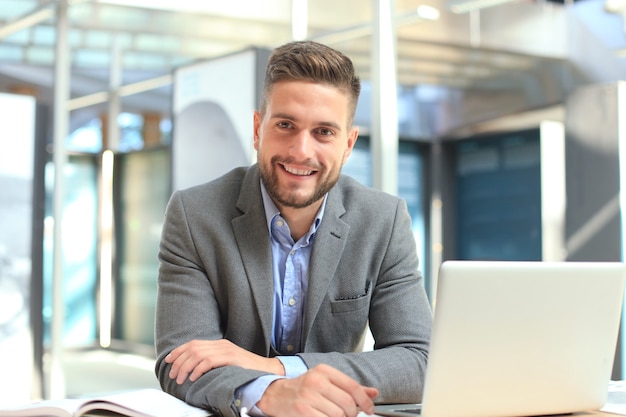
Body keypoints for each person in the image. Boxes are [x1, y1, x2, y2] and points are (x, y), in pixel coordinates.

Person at [154, 40, 432, 417]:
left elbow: (420, 361)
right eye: (286, 125)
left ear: (348, 144)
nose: (301, 151)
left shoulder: (383, 220)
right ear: (257, 129)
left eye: (324, 132)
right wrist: (266, 394)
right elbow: (180, 362)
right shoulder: (195, 214)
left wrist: (278, 369)